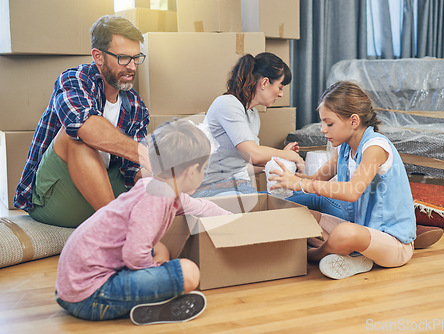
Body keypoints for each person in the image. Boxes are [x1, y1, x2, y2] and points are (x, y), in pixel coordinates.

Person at [55, 120, 233, 324]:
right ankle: (152, 303)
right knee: (189, 272)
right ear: (191, 171)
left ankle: (150, 298)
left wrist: (237, 221)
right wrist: (156, 271)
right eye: (204, 168)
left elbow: (203, 208)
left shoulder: (161, 188)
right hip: (90, 296)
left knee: (162, 251)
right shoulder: (158, 197)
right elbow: (134, 255)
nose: (204, 173)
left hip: (74, 287)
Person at [269, 81, 417, 280]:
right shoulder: (344, 148)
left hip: (392, 243)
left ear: (354, 121)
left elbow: (351, 191)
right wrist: (290, 176)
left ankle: (313, 254)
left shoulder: (375, 148)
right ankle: (353, 257)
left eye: (329, 123)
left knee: (345, 233)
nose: (323, 129)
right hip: (362, 228)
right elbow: (314, 180)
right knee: (298, 214)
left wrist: (300, 184)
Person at [14, 15, 151, 228]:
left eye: (136, 58)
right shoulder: (74, 80)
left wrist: (161, 178)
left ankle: (122, 220)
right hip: (56, 196)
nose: (132, 67)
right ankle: (117, 229)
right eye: (123, 58)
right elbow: (84, 127)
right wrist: (145, 154)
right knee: (75, 137)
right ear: (98, 56)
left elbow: (132, 169)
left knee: (151, 174)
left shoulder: (136, 105)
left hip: (102, 195)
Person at [192, 52, 305, 198]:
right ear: (264, 83)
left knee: (306, 200)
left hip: (239, 187)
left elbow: (243, 165)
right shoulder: (227, 104)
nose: (281, 94)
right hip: (212, 190)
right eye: (281, 87)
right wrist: (290, 156)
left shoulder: (252, 115)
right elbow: (254, 154)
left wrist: (279, 160)